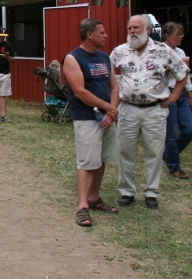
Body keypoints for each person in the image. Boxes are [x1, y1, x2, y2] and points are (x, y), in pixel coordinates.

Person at [111, 15, 188, 209]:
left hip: (155, 110)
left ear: (147, 30)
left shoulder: (163, 51)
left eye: (136, 28)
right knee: (125, 152)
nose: (132, 32)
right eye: (129, 28)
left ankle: (151, 193)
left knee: (153, 153)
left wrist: (174, 96)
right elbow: (107, 72)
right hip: (127, 109)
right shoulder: (120, 51)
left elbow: (182, 73)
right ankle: (127, 191)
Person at [62, 19, 120, 227]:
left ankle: (95, 198)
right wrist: (109, 108)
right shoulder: (73, 58)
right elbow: (79, 91)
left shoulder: (105, 57)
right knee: (87, 161)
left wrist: (111, 112)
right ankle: (83, 206)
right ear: (90, 34)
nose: (105, 36)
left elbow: (114, 87)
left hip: (106, 118)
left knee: (101, 158)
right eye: (102, 33)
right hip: (87, 118)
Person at [161, 22, 192, 180]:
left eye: (182, 35)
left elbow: (184, 74)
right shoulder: (160, 51)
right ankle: (175, 167)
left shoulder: (180, 51)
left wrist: (190, 92)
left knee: (190, 130)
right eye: (177, 35)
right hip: (169, 92)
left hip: (181, 94)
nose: (180, 38)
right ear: (167, 36)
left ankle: (168, 154)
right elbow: (159, 72)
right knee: (172, 134)